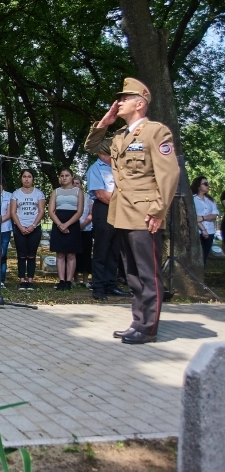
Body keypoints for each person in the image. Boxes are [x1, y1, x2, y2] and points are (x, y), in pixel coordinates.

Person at [85, 77, 180, 344]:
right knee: (132, 274)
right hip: (122, 213)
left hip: (145, 213)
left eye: (124, 98)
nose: (119, 102)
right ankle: (138, 321)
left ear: (140, 103)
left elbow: (169, 173)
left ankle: (149, 327)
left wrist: (159, 210)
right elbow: (91, 146)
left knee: (148, 273)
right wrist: (104, 123)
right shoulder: (118, 137)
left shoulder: (156, 132)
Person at [84, 139, 129, 300]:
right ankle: (98, 287)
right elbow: (101, 194)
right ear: (101, 154)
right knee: (101, 250)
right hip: (104, 210)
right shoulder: (95, 169)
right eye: (110, 154)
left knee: (114, 250)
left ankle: (111, 284)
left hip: (120, 211)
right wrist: (124, 202)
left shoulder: (118, 167)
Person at [47, 169, 84, 291]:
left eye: (67, 175)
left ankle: (69, 281)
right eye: (62, 176)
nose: (64, 178)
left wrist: (67, 224)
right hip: (58, 222)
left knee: (71, 254)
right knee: (60, 253)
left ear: (72, 177)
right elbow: (51, 211)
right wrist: (60, 225)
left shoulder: (78, 191)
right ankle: (61, 280)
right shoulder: (55, 192)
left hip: (72, 223)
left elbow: (79, 211)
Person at [10, 169, 45, 291]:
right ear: (21, 178)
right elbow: (13, 211)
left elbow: (41, 211)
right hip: (19, 228)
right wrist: (20, 226)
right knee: (21, 255)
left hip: (34, 228)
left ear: (33, 178)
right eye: (24, 176)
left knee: (31, 255)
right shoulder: (16, 193)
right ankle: (21, 281)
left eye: (29, 176)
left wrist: (33, 225)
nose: (26, 179)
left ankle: (30, 281)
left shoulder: (39, 193)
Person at [192, 176, 218, 266]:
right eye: (205, 184)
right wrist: (203, 230)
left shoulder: (211, 200)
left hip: (210, 232)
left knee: (204, 256)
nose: (208, 186)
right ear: (198, 186)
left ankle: (202, 276)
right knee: (196, 257)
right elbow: (193, 217)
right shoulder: (192, 199)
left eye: (208, 184)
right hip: (196, 232)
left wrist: (203, 218)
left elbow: (214, 215)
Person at [73, 176, 93, 289]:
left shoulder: (88, 197)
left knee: (86, 254)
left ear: (81, 185)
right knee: (74, 255)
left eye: (78, 183)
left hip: (86, 230)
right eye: (74, 183)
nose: (76, 185)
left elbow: (91, 213)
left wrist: (84, 225)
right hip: (73, 230)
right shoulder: (70, 198)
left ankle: (86, 280)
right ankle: (76, 279)